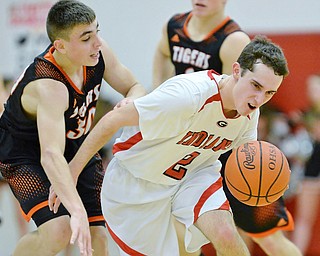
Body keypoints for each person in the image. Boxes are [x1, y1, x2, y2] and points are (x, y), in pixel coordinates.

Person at [65, 35, 288, 255]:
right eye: (256, 85)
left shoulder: (250, 113)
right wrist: (73, 171)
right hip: (137, 181)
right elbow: (113, 120)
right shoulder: (187, 96)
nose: (259, 99)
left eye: (269, 92)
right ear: (237, 71)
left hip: (193, 175)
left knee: (227, 236)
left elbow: (247, 163)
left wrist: (268, 184)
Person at [152, 1, 302, 255]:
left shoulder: (233, 40)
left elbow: (236, 101)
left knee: (269, 239)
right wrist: (159, 95)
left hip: (231, 152)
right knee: (181, 234)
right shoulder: (174, 26)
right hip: (194, 151)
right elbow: (162, 53)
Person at [0, 1, 146, 255]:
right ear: (61, 46)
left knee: (99, 235)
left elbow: (134, 85)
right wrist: (76, 209)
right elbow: (51, 155)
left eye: (97, 31)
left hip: (73, 145)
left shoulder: (98, 53)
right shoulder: (49, 85)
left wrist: (131, 99)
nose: (97, 42)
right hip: (24, 155)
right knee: (60, 230)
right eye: (87, 37)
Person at [292, 74, 320, 255]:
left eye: (316, 88)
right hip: (311, 173)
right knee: (303, 220)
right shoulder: (307, 114)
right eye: (310, 89)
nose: (312, 92)